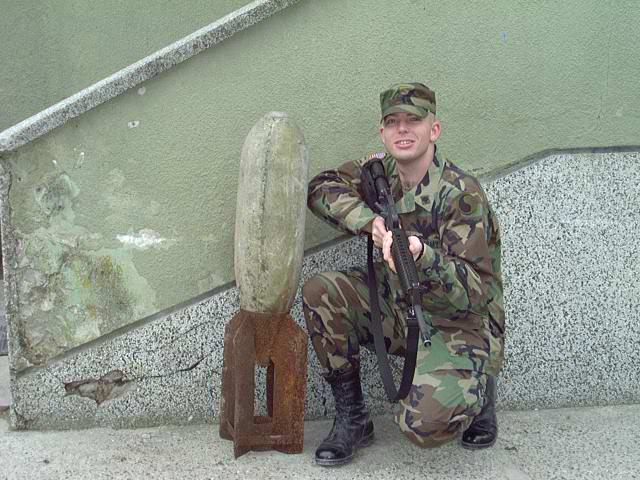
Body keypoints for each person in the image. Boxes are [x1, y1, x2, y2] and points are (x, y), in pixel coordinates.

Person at [302, 83, 505, 466]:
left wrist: (424, 256)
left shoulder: (461, 195)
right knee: (321, 291)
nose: (403, 129)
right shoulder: (379, 173)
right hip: (400, 305)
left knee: (421, 426)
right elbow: (320, 188)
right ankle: (353, 419)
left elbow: (477, 294)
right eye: (393, 121)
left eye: (414, 120)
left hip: (457, 323)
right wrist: (370, 223)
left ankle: (480, 392)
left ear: (434, 129)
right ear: (382, 132)